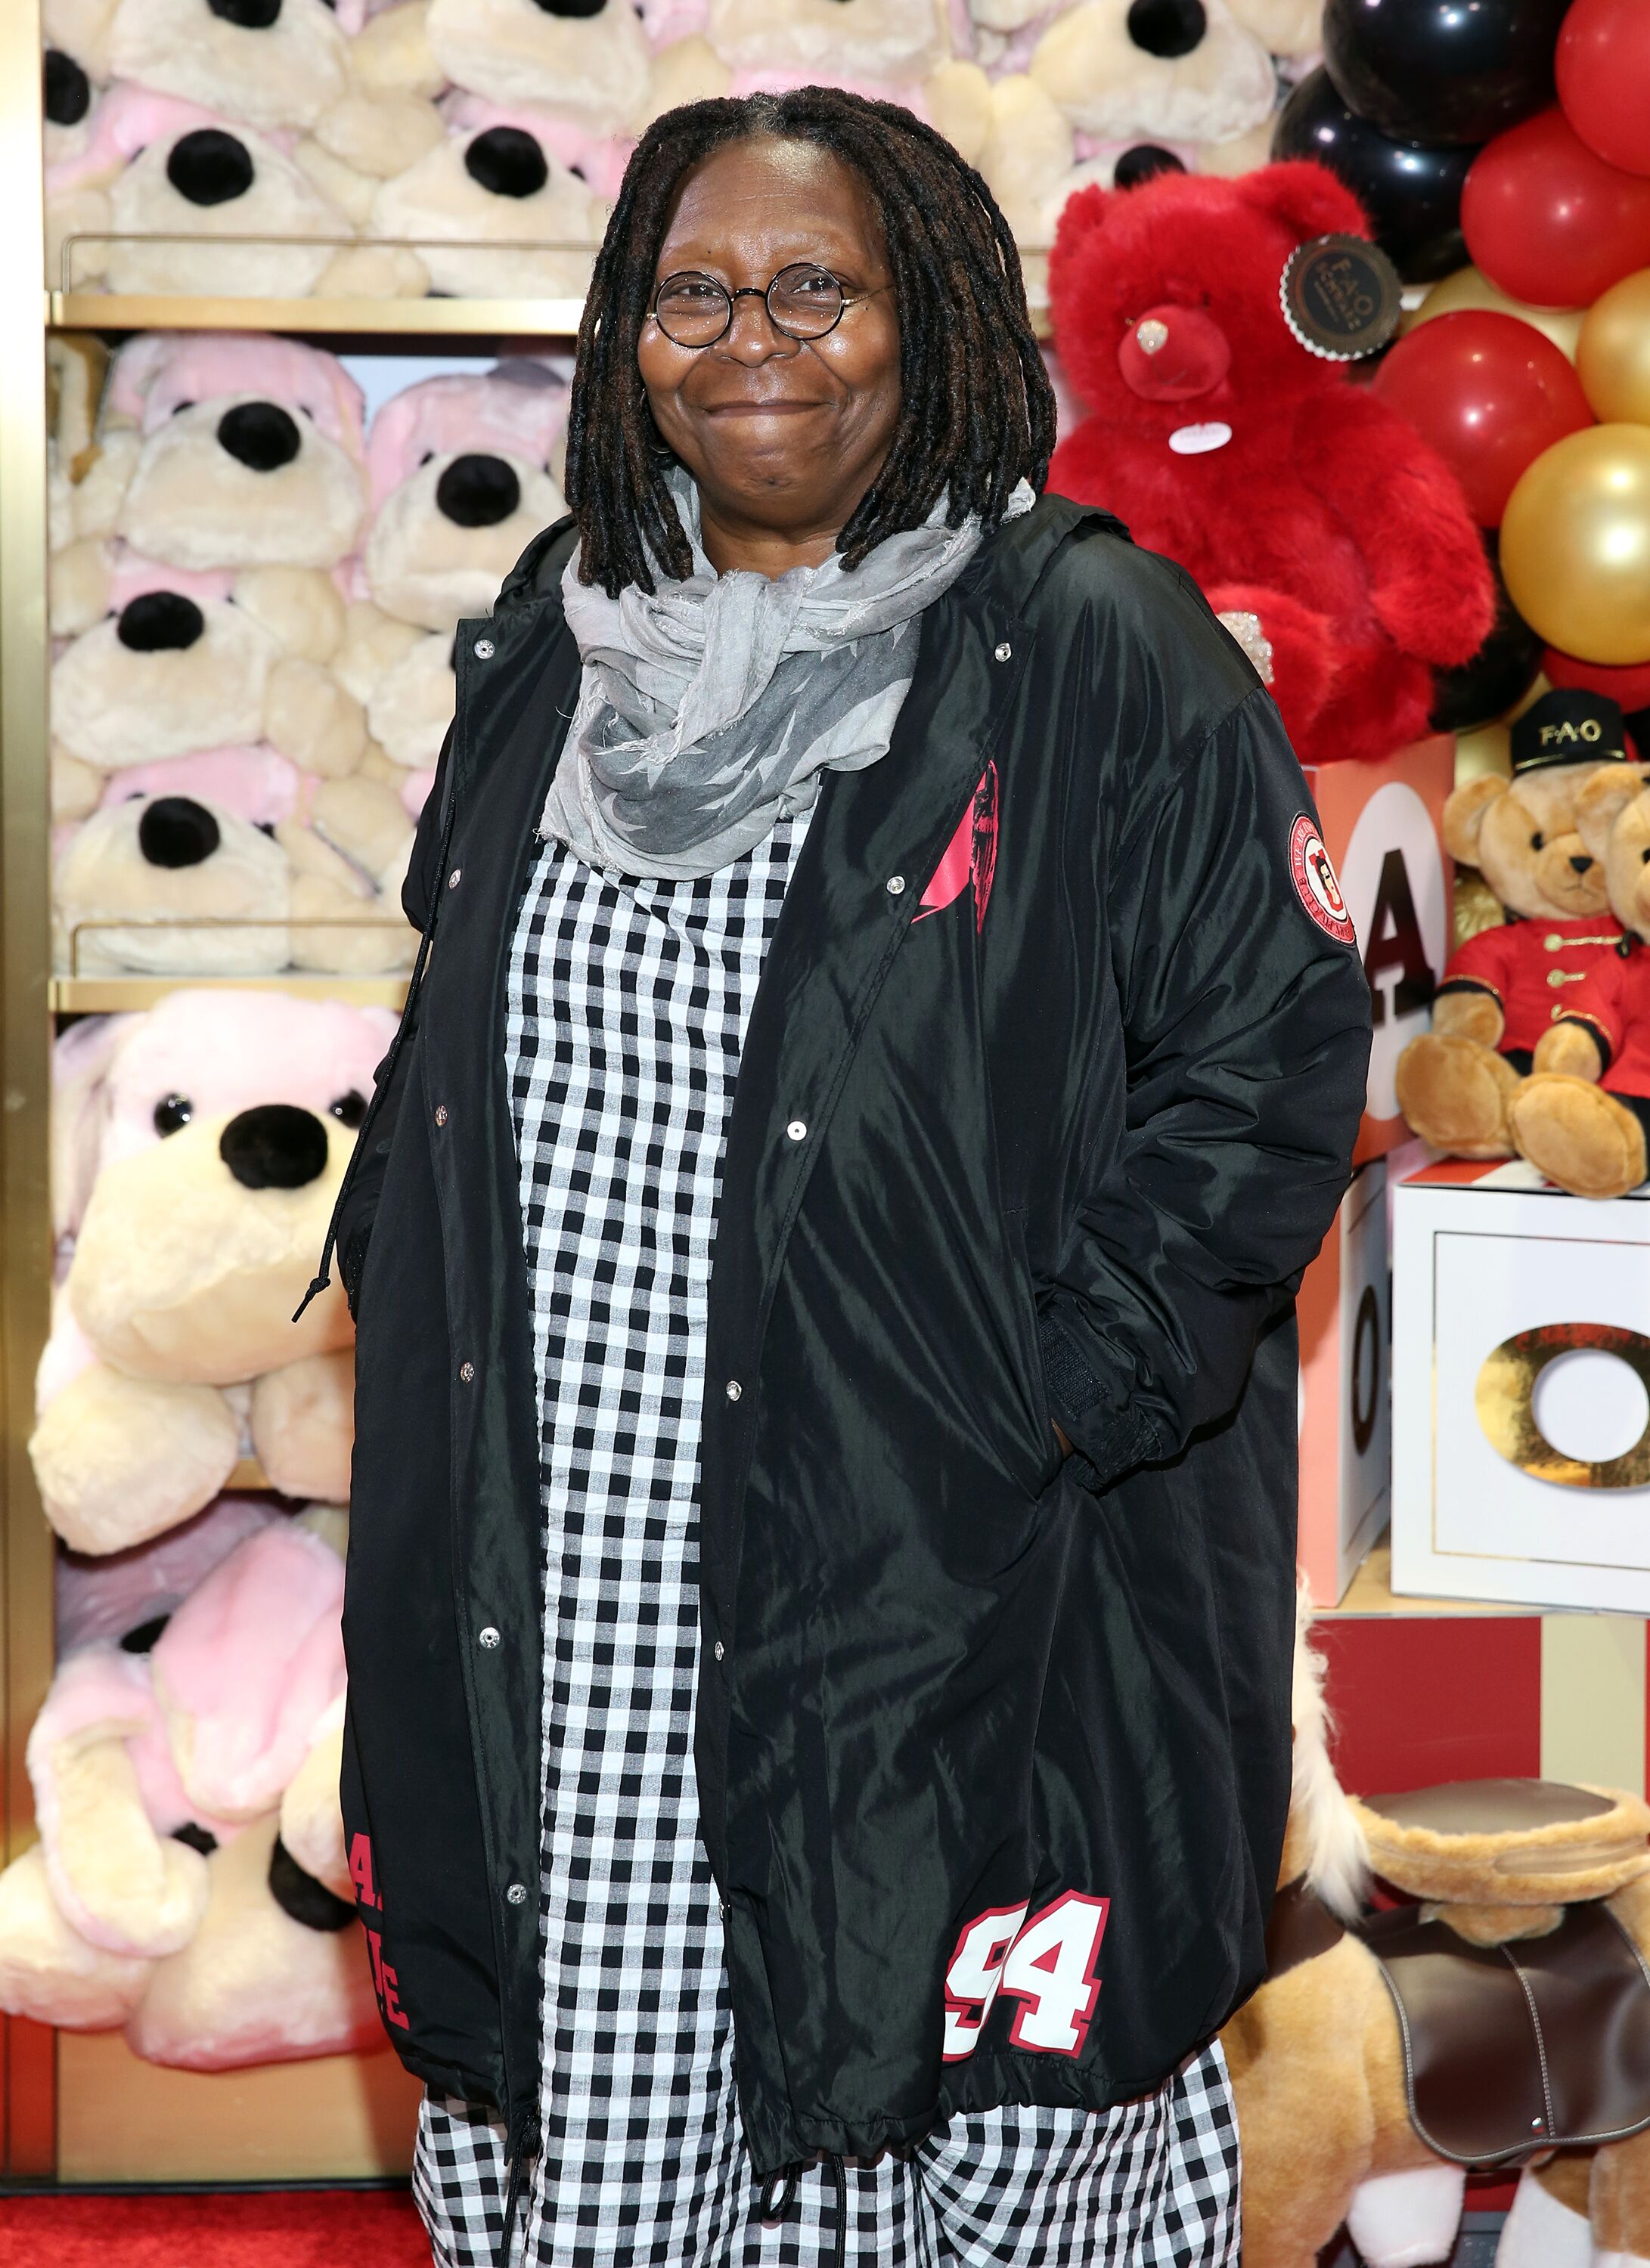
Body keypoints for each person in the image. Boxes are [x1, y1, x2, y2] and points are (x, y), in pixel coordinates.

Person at [318, 86, 1372, 2268]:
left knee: (934, 2083)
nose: (752, 341)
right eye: (691, 294)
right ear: (624, 339)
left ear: (934, 320)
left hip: (939, 1553)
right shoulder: (555, 639)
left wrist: (1053, 1397)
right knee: (610, 2094)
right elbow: (460, 1031)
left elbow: (1273, 1056)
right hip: (576, 1555)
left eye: (817, 286)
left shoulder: (1088, 643)